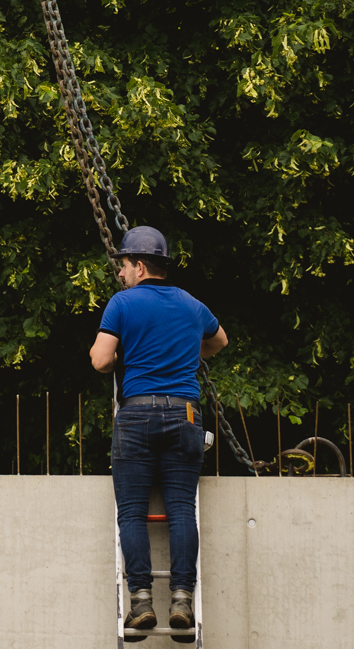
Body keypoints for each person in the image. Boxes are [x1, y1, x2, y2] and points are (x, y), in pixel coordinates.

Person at [89, 226, 228, 634]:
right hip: (185, 414)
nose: (120, 273)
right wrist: (188, 351)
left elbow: (100, 361)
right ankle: (183, 599)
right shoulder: (191, 304)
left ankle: (141, 602)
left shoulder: (122, 304)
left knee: (132, 512)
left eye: (124, 265)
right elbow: (220, 341)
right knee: (182, 509)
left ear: (140, 265)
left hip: (137, 415)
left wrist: (119, 358)